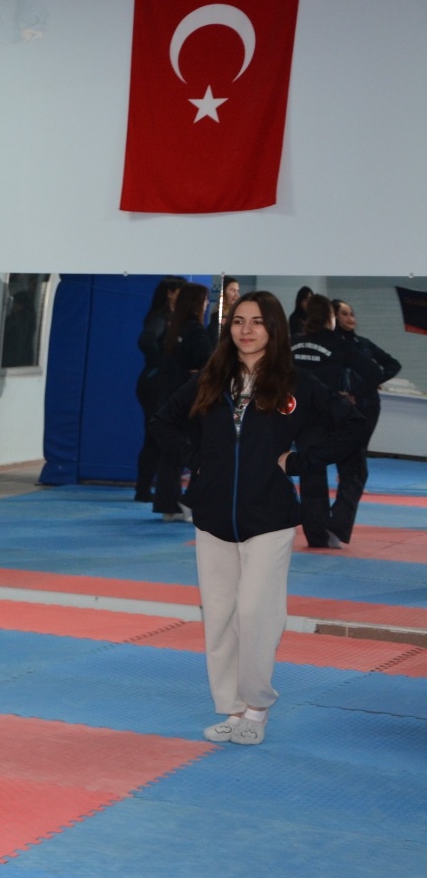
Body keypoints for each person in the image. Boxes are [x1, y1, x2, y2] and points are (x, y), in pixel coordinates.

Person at [151, 292, 365, 746]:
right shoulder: (211, 379)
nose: (246, 330)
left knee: (255, 612)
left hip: (269, 516)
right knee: (219, 616)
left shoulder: (296, 383)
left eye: (257, 322)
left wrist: (302, 462)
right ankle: (231, 708)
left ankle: (256, 707)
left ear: (274, 328)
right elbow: (162, 422)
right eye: (238, 321)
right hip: (213, 517)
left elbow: (353, 424)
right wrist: (198, 459)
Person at [290, 294, 383, 548]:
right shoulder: (338, 344)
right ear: (330, 317)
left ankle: (317, 535)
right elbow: (374, 371)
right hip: (333, 416)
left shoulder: (293, 343)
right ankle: (337, 525)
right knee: (354, 471)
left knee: (311, 474)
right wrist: (353, 393)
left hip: (303, 419)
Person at [324, 299, 401, 542]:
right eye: (344, 314)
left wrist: (363, 387)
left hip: (366, 408)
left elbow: (392, 365)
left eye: (352, 314)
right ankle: (332, 524)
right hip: (336, 409)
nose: (350, 318)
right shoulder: (330, 346)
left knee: (355, 465)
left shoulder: (364, 345)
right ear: (334, 317)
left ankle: (335, 524)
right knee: (350, 465)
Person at [152, 282, 215, 521]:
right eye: (205, 300)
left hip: (170, 396)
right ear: (198, 303)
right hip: (190, 400)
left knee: (171, 452)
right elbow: (209, 365)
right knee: (202, 451)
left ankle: (169, 505)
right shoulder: (196, 331)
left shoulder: (174, 328)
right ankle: (189, 500)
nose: (207, 304)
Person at [134, 276, 185, 502]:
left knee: (156, 436)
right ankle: (143, 487)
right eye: (180, 292)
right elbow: (146, 340)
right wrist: (162, 363)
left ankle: (145, 487)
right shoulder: (160, 318)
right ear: (170, 293)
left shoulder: (175, 319)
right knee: (154, 436)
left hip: (161, 382)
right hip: (154, 383)